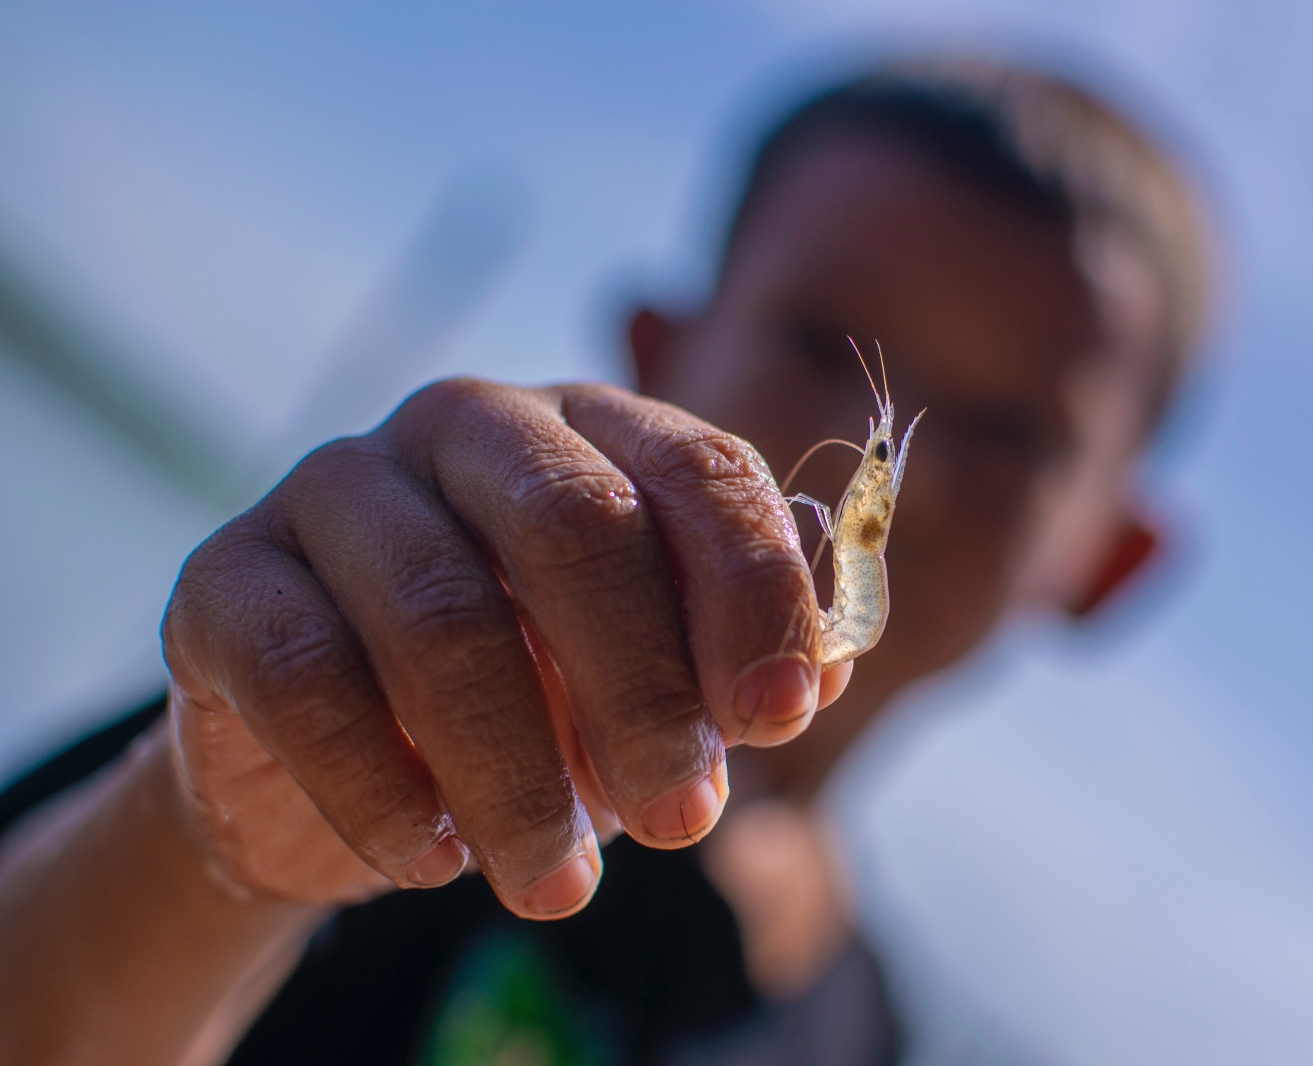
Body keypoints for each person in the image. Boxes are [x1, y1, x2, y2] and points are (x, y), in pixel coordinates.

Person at [0, 57, 1210, 1066]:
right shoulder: (403, 695)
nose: (922, 481)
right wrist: (210, 860)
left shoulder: (872, 1040)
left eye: (1010, 438)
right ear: (654, 353)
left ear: (1110, 565)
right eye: (808, 340)